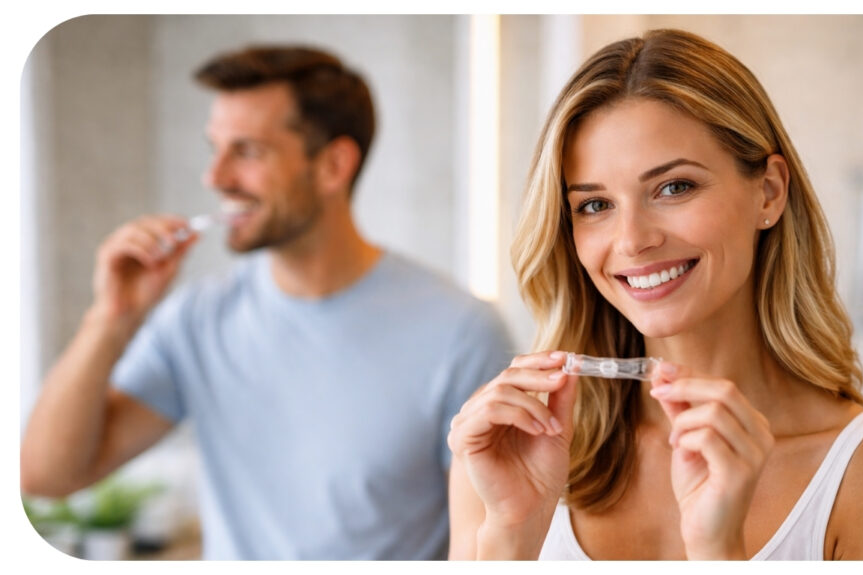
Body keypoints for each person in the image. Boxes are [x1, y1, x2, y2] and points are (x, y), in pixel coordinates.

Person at [446, 29, 863, 560]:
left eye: (674, 187)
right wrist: (512, 535)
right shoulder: (506, 457)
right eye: (595, 205)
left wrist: (719, 552)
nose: (632, 240)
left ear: (768, 192)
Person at [21, 44, 514, 560]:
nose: (216, 178)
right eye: (215, 149)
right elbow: (47, 476)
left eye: (248, 152)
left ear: (333, 165)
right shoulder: (196, 320)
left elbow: (489, 547)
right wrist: (111, 318)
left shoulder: (461, 333)